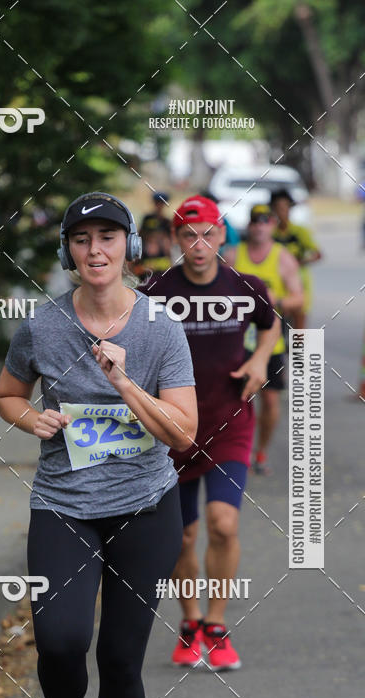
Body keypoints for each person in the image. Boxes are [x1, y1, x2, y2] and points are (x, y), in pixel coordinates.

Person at [0, 191, 197, 698]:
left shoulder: (160, 328)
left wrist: (126, 384)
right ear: (68, 251)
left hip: (146, 507)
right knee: (59, 641)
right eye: (82, 239)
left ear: (129, 248)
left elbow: (184, 434)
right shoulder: (43, 326)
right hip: (63, 505)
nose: (95, 250)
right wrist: (31, 419)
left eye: (108, 237)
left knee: (120, 658)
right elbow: (8, 393)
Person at [143, 195, 280, 670]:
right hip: (173, 429)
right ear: (176, 238)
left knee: (223, 524)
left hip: (229, 423)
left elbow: (270, 324)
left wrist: (260, 360)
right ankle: (190, 622)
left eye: (207, 235)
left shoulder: (246, 286)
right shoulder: (154, 290)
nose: (198, 245)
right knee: (183, 537)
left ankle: (217, 627)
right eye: (188, 235)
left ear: (222, 236)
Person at [224, 204, 303, 475]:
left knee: (269, 401)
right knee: (237, 400)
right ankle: (236, 452)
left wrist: (274, 301)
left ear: (272, 225)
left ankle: (261, 452)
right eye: (255, 221)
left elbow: (298, 298)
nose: (259, 226)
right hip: (237, 341)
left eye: (265, 221)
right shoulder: (234, 255)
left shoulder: (283, 258)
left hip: (271, 343)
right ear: (249, 225)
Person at [270, 189, 321, 329]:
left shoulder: (300, 231)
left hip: (300, 281)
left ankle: (304, 344)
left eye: (285, 208)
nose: (282, 212)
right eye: (278, 208)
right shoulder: (270, 232)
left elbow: (317, 254)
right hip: (278, 284)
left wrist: (298, 263)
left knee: (300, 320)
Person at [136, 191, 172, 277]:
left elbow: (169, 240)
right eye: (157, 203)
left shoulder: (167, 221)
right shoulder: (147, 218)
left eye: (161, 203)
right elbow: (140, 234)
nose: (159, 205)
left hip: (161, 257)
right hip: (146, 256)